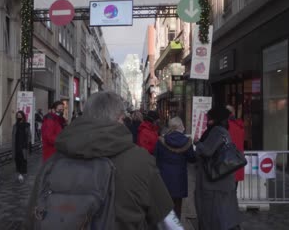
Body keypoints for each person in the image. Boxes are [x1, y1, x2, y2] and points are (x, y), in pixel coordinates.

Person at [26, 91, 181, 229]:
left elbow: (31, 218)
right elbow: (168, 221)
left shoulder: (53, 163)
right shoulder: (140, 161)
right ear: (120, 118)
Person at [195, 106, 242, 230]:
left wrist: (197, 143)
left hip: (214, 183)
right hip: (222, 180)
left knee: (213, 216)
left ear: (215, 119)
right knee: (223, 215)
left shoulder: (217, 131)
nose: (208, 122)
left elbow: (207, 151)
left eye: (209, 119)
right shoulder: (224, 131)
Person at [154, 117, 196, 219]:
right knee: (177, 206)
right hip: (179, 178)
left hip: (164, 178)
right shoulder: (187, 142)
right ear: (180, 126)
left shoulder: (161, 141)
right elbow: (192, 159)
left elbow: (155, 158)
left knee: (165, 207)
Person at [226, 105, 245, 189]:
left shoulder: (223, 126)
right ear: (233, 113)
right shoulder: (239, 126)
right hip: (237, 161)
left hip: (225, 163)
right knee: (234, 190)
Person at [12, 111, 31, 183]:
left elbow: (29, 135)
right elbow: (13, 136)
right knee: (17, 160)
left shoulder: (26, 125)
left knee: (23, 160)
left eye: (20, 115)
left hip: (23, 145)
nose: (19, 117)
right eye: (17, 116)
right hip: (16, 145)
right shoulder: (15, 125)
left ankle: (22, 174)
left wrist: (27, 143)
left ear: (23, 116)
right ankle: (20, 174)